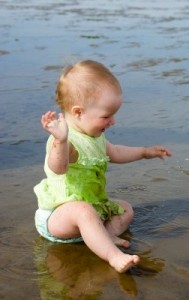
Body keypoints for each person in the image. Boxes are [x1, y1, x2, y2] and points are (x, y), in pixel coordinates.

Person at [34, 60, 172, 273]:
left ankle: (104, 237)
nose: (113, 121)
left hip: (92, 210)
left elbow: (115, 152)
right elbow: (58, 167)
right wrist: (60, 142)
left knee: (125, 208)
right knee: (82, 210)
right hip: (59, 217)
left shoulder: (95, 136)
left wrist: (145, 152)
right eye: (106, 116)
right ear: (78, 112)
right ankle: (113, 256)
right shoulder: (66, 141)